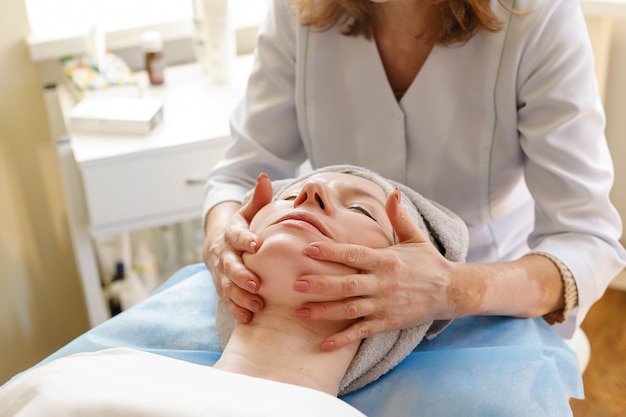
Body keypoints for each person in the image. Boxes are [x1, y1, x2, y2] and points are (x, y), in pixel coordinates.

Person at [203, 0, 626, 355]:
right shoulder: (299, 10)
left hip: (486, 309)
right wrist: (222, 238)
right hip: (327, 313)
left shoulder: (537, 15)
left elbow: (587, 239)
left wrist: (453, 289)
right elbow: (241, 174)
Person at [0, 166, 468, 416]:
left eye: (364, 212)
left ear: (404, 294)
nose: (310, 194)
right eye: (288, 196)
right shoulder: (79, 377)